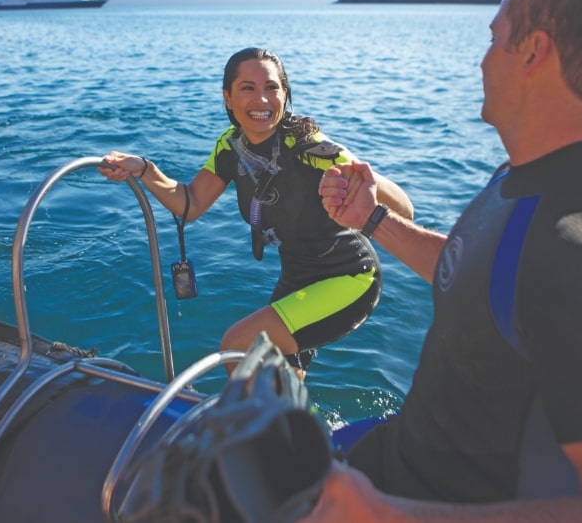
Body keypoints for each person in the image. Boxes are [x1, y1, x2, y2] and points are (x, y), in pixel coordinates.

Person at [309, 0, 582, 522]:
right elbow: (481, 278)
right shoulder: (521, 182)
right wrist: (372, 220)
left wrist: (383, 514)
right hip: (396, 458)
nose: (484, 58)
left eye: (493, 38)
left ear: (533, 51)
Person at [99, 47, 413, 377]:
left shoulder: (308, 146)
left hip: (349, 276)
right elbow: (189, 203)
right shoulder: (230, 147)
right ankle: (297, 426)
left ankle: (268, 426)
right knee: (282, 378)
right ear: (228, 98)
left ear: (285, 94)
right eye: (247, 88)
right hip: (297, 279)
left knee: (239, 344)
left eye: (272, 88)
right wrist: (144, 168)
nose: (261, 100)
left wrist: (359, 172)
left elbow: (405, 210)